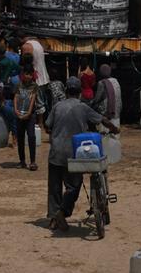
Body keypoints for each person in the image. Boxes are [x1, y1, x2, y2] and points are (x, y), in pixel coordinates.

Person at [46, 77, 117, 231]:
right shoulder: (83, 107)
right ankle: (62, 212)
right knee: (73, 186)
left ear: (66, 91)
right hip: (74, 154)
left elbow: (47, 126)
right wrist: (114, 129)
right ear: (79, 93)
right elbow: (102, 120)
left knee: (54, 188)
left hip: (55, 152)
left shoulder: (57, 106)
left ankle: (53, 219)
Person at [12, 71, 39, 171]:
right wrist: (15, 110)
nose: (28, 76)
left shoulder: (34, 86)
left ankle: (32, 161)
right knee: (20, 137)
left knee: (31, 136)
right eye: (26, 74)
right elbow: (16, 97)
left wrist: (28, 113)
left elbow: (33, 99)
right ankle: (22, 160)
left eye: (29, 74)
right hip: (19, 114)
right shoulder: (19, 84)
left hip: (30, 115)